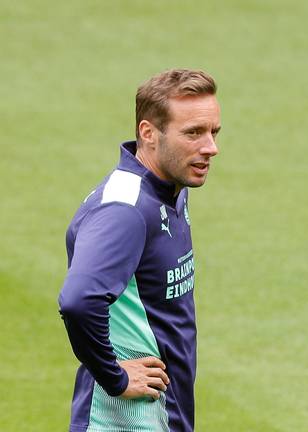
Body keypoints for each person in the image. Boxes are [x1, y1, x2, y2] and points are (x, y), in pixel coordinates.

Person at [58, 69, 221, 432]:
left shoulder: (172, 188)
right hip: (125, 422)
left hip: (162, 414)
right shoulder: (125, 209)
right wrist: (115, 377)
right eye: (193, 132)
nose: (210, 147)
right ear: (148, 133)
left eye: (213, 132)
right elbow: (79, 300)